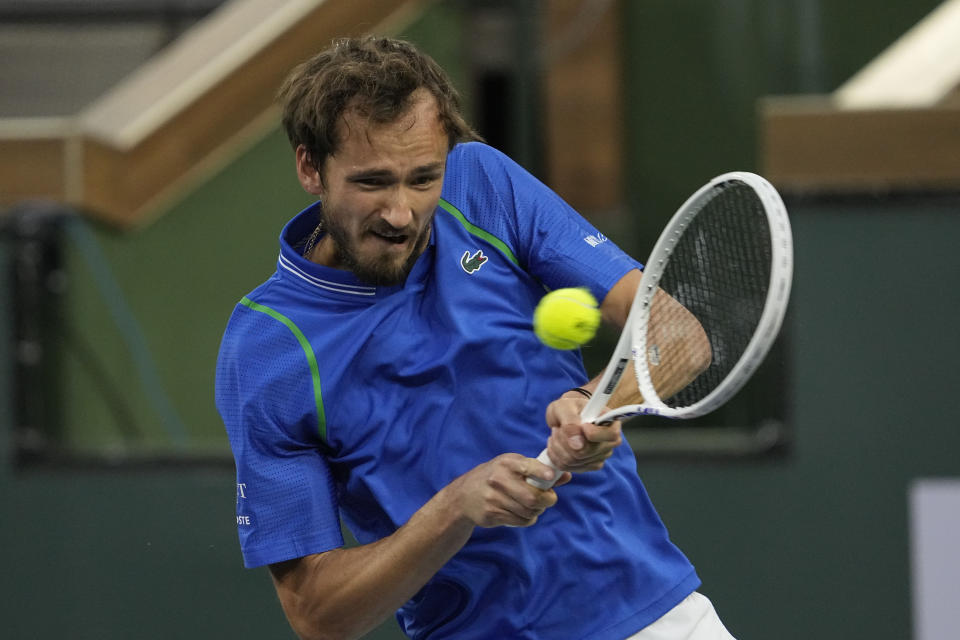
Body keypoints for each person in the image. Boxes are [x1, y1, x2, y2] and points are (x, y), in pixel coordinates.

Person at [215, 35, 734, 640]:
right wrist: (454, 509)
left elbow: (678, 335)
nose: (401, 212)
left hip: (658, 619)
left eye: (423, 178)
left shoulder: (482, 184)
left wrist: (599, 402)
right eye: (373, 182)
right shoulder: (266, 349)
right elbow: (317, 615)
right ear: (311, 167)